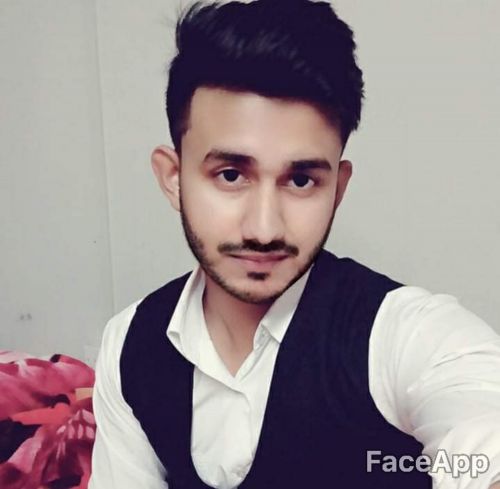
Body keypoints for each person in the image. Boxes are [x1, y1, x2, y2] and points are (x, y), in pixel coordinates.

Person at [89, 1, 500, 488]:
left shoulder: (403, 336)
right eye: (230, 174)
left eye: (301, 180)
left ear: (337, 189)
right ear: (173, 177)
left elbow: (482, 427)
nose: (264, 228)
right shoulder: (130, 345)